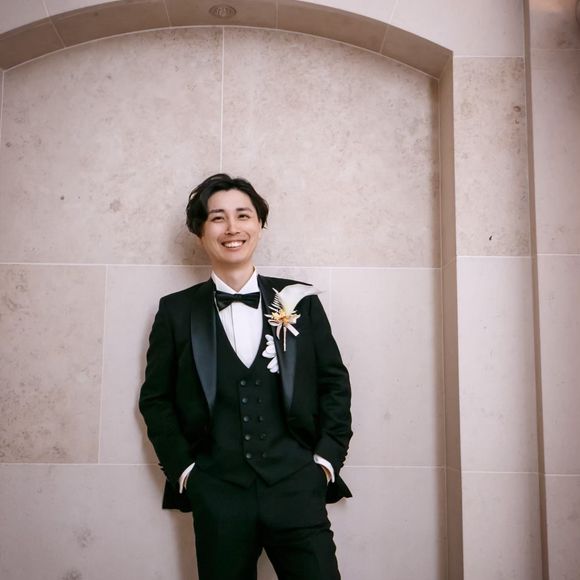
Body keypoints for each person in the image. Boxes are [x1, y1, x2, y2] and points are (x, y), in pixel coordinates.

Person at [139, 173, 352, 580]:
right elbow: (156, 399)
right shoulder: (175, 312)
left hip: (296, 487)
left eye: (243, 215)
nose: (232, 228)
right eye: (217, 217)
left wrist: (325, 461)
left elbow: (334, 384)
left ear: (259, 224)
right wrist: (185, 471)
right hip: (217, 493)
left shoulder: (299, 302)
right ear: (200, 231)